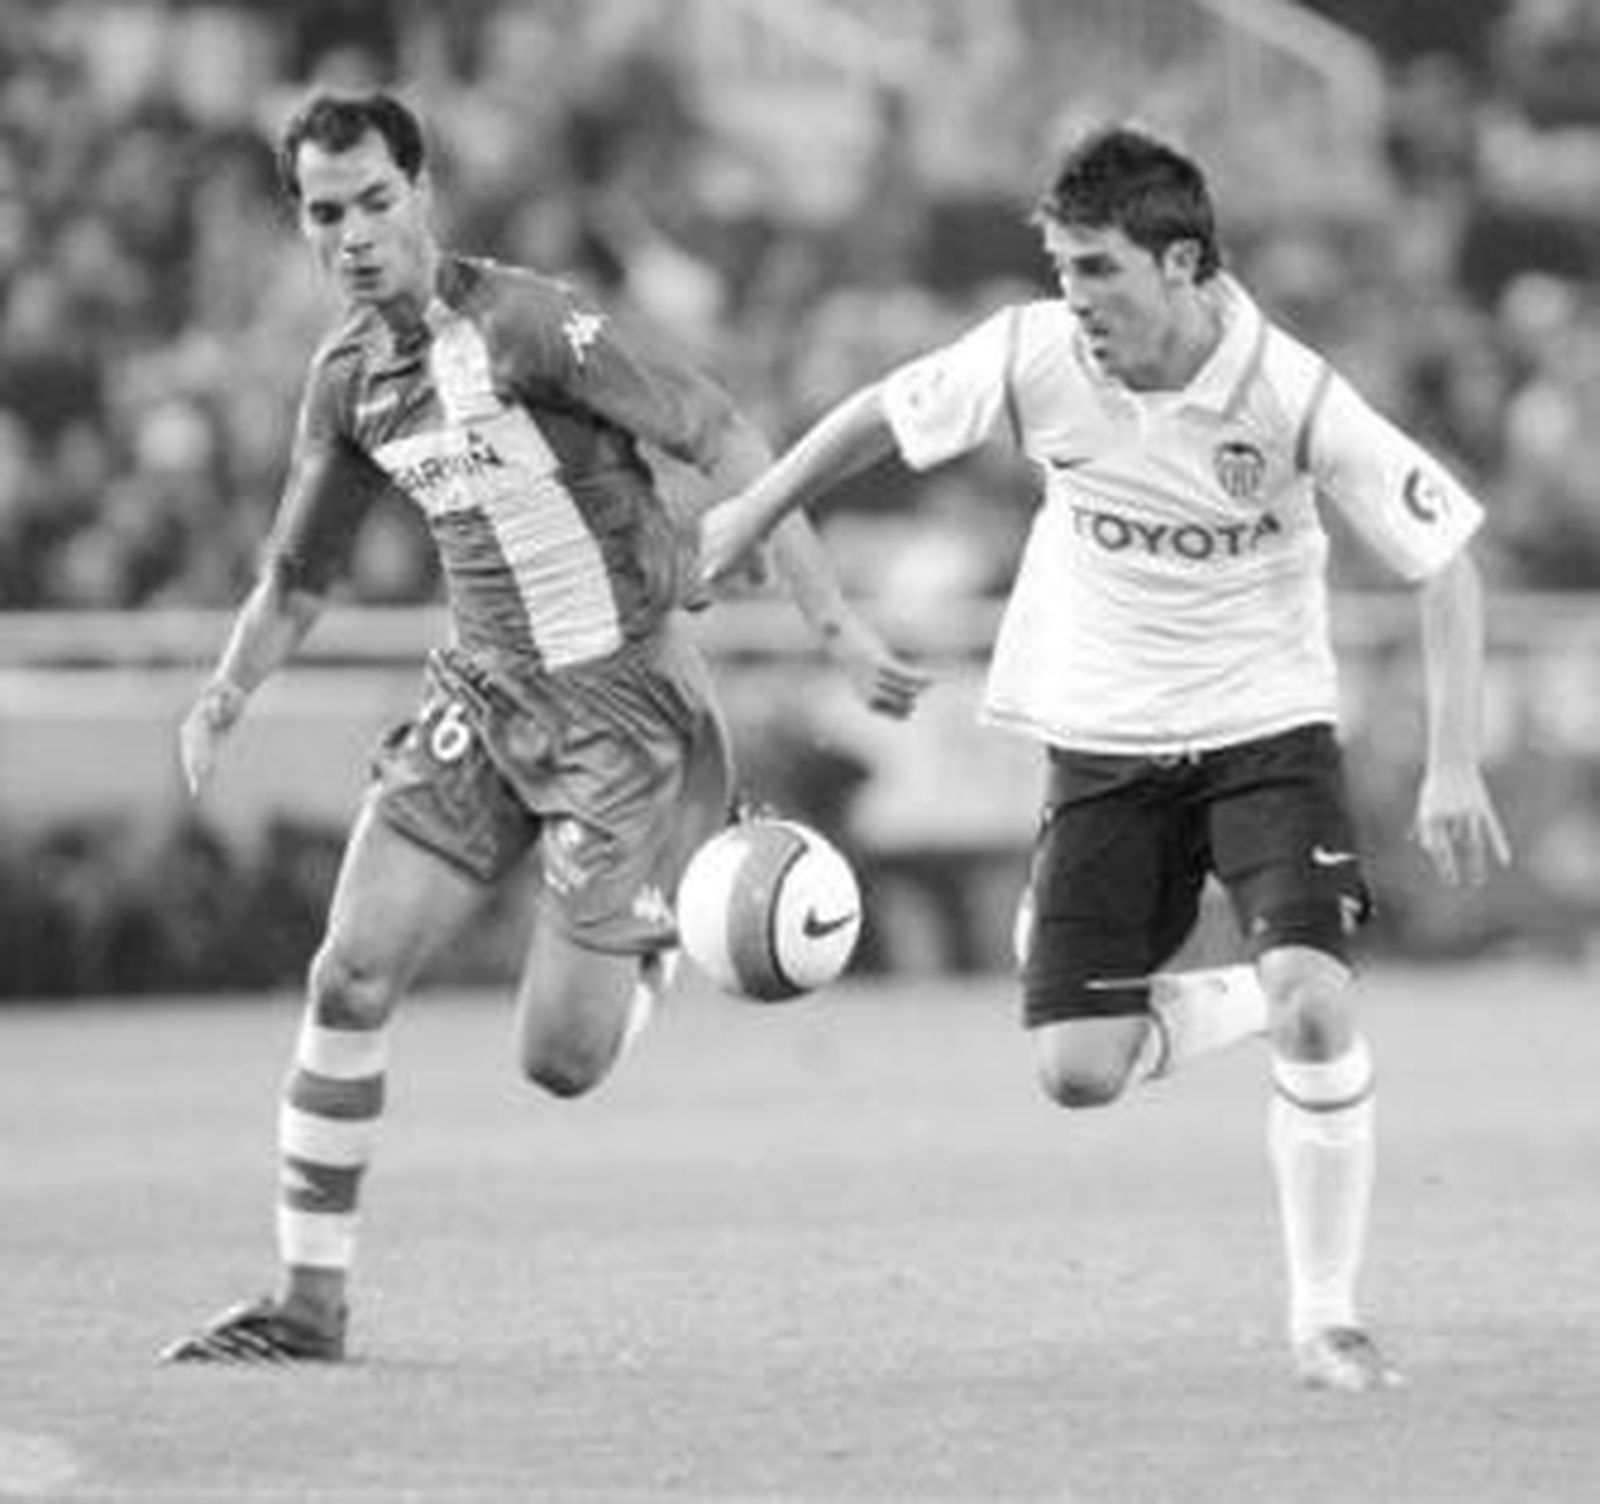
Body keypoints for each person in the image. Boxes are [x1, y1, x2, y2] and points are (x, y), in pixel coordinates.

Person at [700, 125, 1510, 1392]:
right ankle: (1261, 992)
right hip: (1103, 741)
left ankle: (1326, 1317)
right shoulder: (1032, 358)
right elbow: (875, 415)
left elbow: (1444, 558)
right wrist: (753, 510)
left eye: (1097, 271)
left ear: (1181, 264)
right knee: (1080, 1072)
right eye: (1063, 269)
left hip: (1264, 727)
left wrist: (1452, 761)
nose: (1073, 302)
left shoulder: (1287, 391)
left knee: (1314, 996)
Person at [159, 90, 931, 1365]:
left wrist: (833, 625)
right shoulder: (350, 379)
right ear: (299, 223)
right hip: (478, 695)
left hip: (623, 712)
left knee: (559, 1065)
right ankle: (307, 1300)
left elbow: (726, 434)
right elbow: (300, 574)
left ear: (423, 191)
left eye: (373, 202)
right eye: (322, 212)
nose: (351, 234)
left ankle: (660, 939)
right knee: (346, 972)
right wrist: (226, 693)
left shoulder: (531, 325)